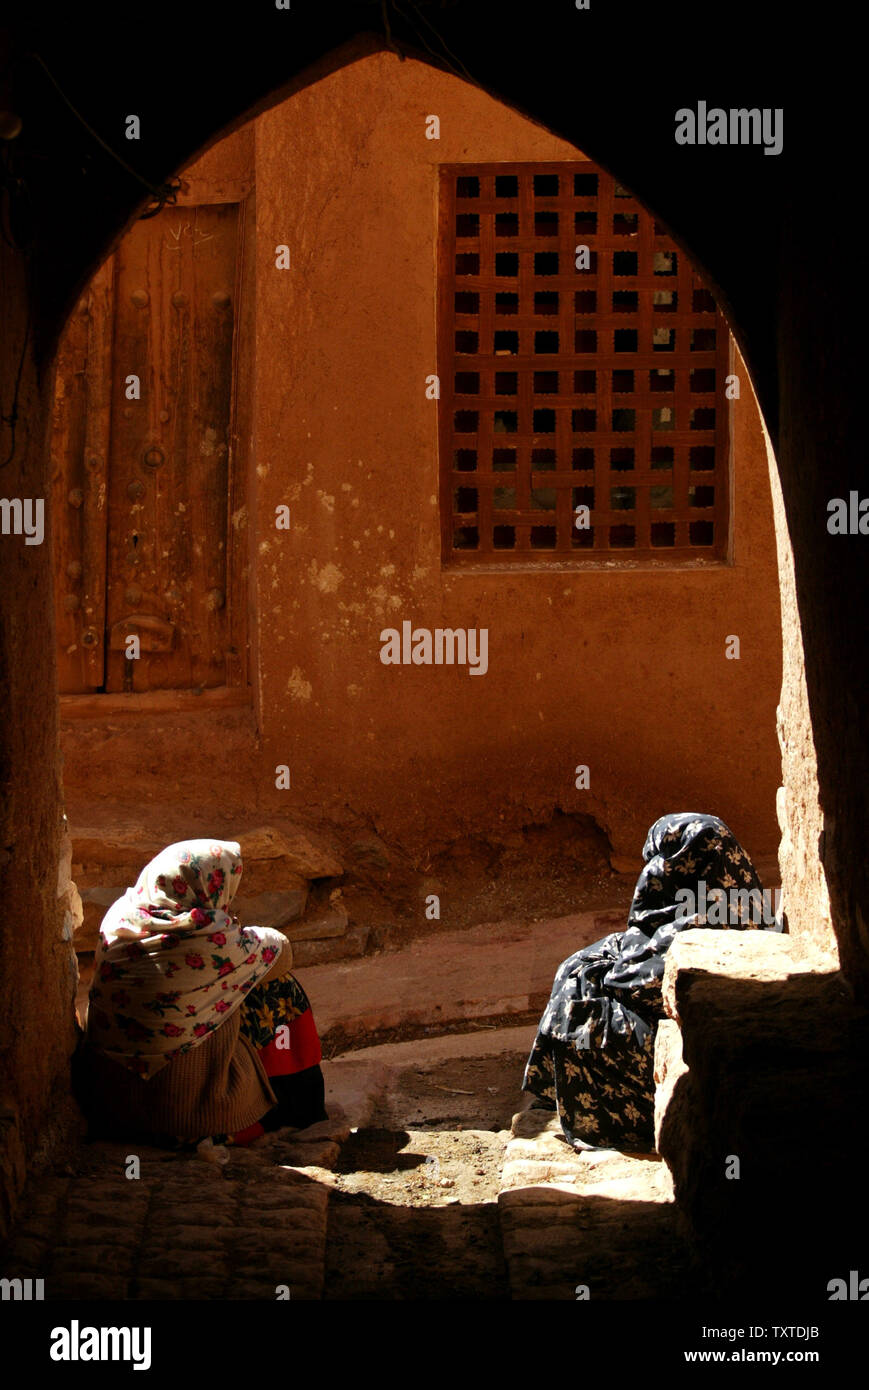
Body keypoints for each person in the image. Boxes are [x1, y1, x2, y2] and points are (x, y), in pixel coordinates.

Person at [522, 812, 779, 1153]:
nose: (654, 869)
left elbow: (634, 983)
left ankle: (608, 1115)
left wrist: (598, 970)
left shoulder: (700, 922)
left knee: (578, 995)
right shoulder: (732, 889)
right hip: (686, 1022)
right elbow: (641, 943)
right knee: (581, 967)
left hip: (683, 1041)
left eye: (664, 858)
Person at [76, 838, 327, 1148]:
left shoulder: (120, 919)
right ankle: (298, 1104)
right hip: (184, 1118)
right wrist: (235, 930)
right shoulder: (208, 938)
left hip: (108, 1105)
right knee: (276, 987)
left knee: (226, 985)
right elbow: (282, 952)